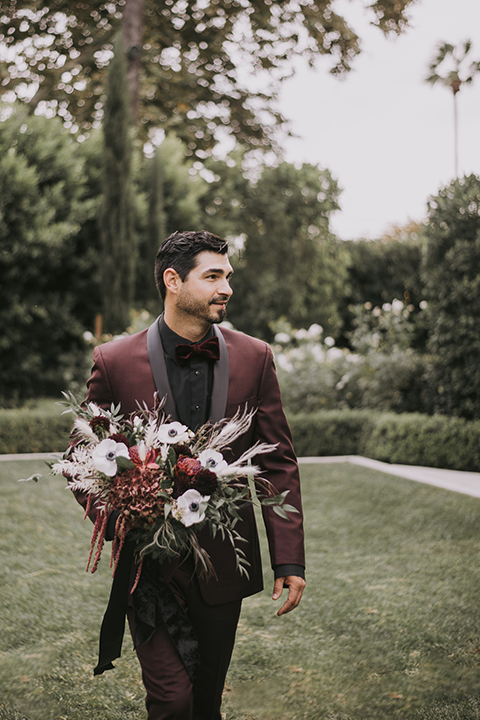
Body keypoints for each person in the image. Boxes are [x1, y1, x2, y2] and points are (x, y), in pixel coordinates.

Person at [76, 230, 305, 720]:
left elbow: (279, 460)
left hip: (225, 562)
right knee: (171, 700)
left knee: (204, 703)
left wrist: (289, 560)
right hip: (148, 566)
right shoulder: (113, 360)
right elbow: (83, 450)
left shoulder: (254, 357)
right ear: (173, 280)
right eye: (214, 276)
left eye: (229, 277)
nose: (227, 288)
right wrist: (119, 513)